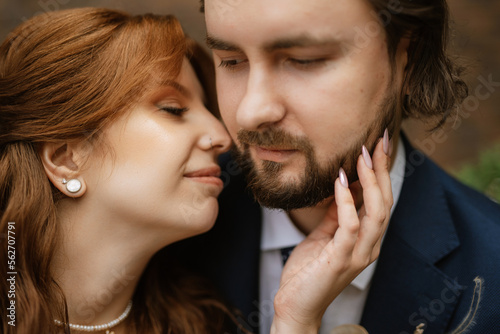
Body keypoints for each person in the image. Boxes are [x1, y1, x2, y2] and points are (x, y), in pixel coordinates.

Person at [0, 7, 392, 334]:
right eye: (173, 110)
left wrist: (294, 321)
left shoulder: (206, 320)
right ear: (66, 158)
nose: (224, 136)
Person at [175, 0, 500, 333]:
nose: (251, 111)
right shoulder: (166, 231)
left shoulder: (492, 278)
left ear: (409, 55)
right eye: (231, 61)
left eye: (304, 61)